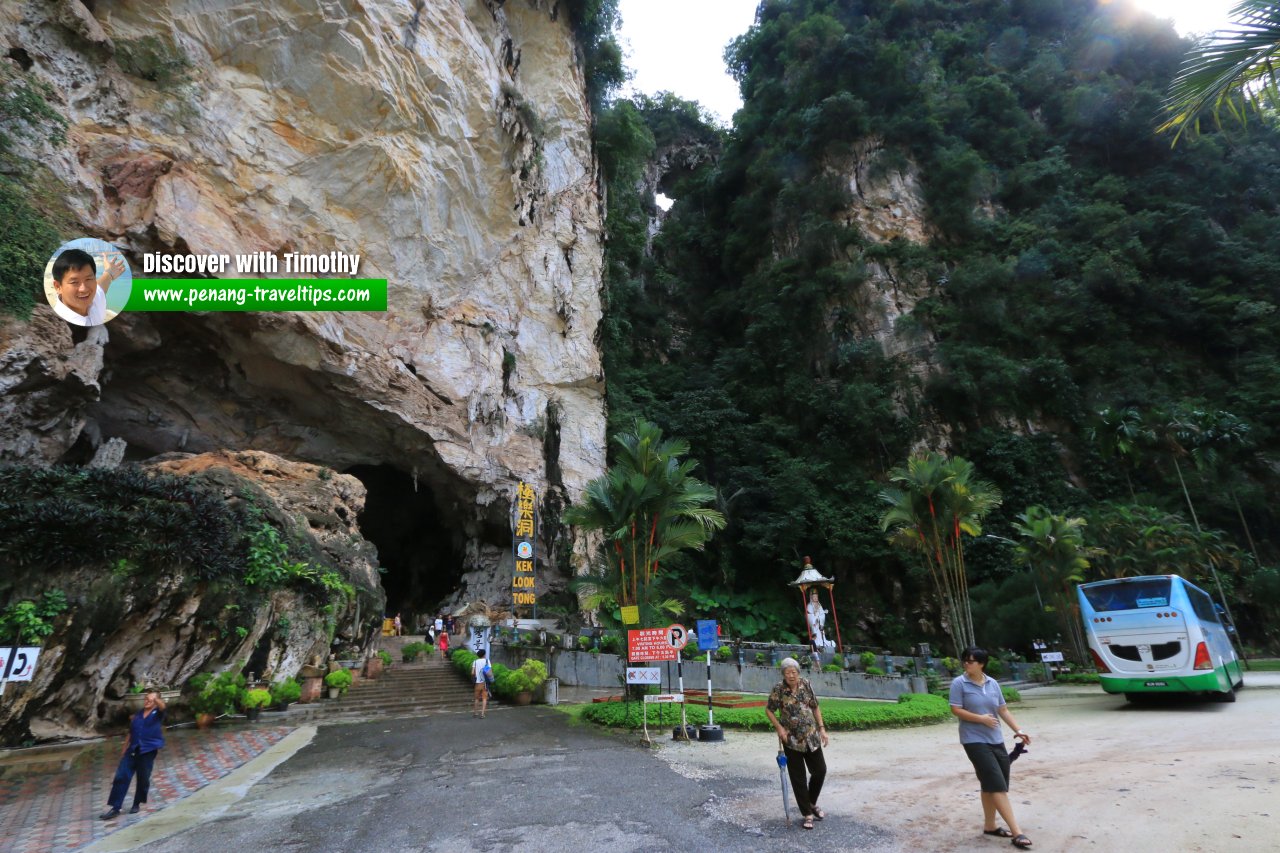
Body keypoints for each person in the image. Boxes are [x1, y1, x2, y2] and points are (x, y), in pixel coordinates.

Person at [949, 646, 1033, 849]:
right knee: (996, 784)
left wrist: (1018, 730)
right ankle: (1017, 832)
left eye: (971, 661)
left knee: (993, 783)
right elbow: (955, 709)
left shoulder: (993, 683)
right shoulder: (959, 683)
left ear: (981, 664)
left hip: (995, 739)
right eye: (965, 660)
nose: (966, 664)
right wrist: (980, 719)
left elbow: (1002, 709)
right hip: (973, 740)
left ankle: (990, 826)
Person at [765, 657, 829, 830]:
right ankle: (807, 813)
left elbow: (815, 707)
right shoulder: (779, 689)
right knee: (798, 777)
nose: (791, 675)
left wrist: (822, 729)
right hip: (791, 740)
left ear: (798, 672)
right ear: (783, 674)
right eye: (787, 672)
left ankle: (811, 802)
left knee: (820, 771)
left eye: (794, 672)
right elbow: (769, 710)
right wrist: (779, 728)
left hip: (811, 736)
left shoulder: (806, 684)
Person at [99, 689, 166, 820]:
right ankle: (115, 807)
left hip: (148, 751)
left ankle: (137, 803)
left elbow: (163, 707)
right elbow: (130, 733)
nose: (148, 701)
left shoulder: (158, 713)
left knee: (143, 778)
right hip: (133, 750)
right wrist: (124, 749)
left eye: (151, 700)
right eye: (146, 699)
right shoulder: (138, 715)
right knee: (121, 776)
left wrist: (156, 699)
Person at [51, 248, 123, 326]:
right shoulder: (58, 324)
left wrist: (109, 272)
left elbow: (101, 286)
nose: (84, 289)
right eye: (74, 282)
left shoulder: (94, 300)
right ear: (58, 287)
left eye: (88, 279)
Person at [471, 649, 490, 718]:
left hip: (477, 683)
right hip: (484, 683)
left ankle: (475, 713)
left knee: (476, 698)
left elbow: (472, 673)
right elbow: (488, 672)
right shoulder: (487, 661)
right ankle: (482, 714)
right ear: (484, 654)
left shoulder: (475, 662)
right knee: (484, 698)